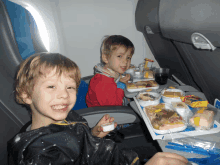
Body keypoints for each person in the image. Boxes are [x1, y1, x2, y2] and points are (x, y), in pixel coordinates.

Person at [8, 52, 188, 165]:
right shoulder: (42, 155)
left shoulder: (65, 116)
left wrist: (94, 133)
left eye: (70, 87)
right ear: (26, 95)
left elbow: (75, 141)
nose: (64, 95)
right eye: (51, 87)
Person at [86, 35, 133, 107]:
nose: (125, 62)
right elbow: (115, 106)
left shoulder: (111, 73)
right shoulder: (103, 81)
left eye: (128, 57)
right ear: (105, 58)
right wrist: (122, 84)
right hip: (108, 114)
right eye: (120, 56)